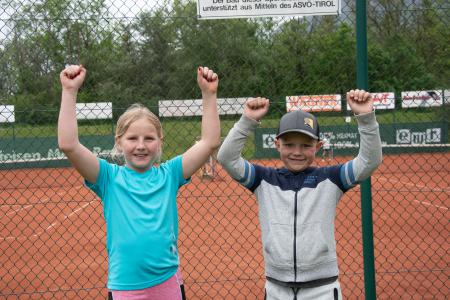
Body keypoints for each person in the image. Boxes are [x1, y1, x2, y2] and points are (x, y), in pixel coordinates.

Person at [58, 65, 221, 299]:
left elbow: (209, 141)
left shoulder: (170, 174)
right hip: (125, 287)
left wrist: (209, 94)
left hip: (168, 282)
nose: (141, 145)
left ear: (159, 141)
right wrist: (69, 91)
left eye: (149, 138)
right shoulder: (108, 178)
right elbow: (68, 144)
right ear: (119, 141)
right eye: (132, 138)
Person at [217, 90, 382, 300]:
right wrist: (247, 120)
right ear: (276, 144)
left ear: (318, 146)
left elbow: (370, 161)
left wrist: (366, 118)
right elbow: (227, 158)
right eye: (289, 144)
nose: (297, 152)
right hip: (277, 289)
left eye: (306, 145)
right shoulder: (264, 180)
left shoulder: (330, 179)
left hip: (322, 289)